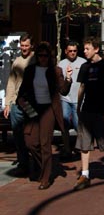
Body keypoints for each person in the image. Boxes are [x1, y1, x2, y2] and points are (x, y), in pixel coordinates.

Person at [17, 41, 72, 189]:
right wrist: (21, 101)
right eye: (40, 55)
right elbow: (22, 91)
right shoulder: (30, 70)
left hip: (48, 109)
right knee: (30, 142)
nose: (43, 58)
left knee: (45, 143)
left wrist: (68, 79)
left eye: (45, 56)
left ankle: (46, 178)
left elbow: (63, 91)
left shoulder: (56, 71)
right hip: (33, 109)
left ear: (50, 57)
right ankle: (45, 166)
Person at [74, 37, 104, 191]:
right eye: (84, 49)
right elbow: (82, 87)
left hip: (101, 108)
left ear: (96, 49)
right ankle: (85, 175)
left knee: (103, 142)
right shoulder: (84, 67)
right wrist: (78, 105)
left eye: (87, 49)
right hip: (87, 108)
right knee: (84, 143)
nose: (84, 51)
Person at [3, 33, 36, 177]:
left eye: (26, 46)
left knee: (32, 135)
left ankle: (36, 163)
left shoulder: (36, 60)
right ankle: (23, 164)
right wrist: (8, 103)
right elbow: (11, 83)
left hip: (31, 104)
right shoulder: (16, 62)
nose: (24, 48)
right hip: (17, 103)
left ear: (31, 46)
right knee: (17, 135)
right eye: (22, 46)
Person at [58, 41, 87, 157]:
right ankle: (66, 149)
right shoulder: (61, 64)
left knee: (77, 124)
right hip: (64, 99)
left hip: (78, 99)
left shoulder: (83, 63)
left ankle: (80, 147)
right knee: (64, 123)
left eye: (74, 51)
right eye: (70, 51)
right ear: (66, 51)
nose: (72, 53)